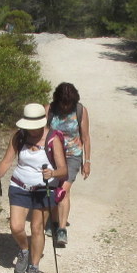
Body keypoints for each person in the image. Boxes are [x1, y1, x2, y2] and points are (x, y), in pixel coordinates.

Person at [0, 103, 67, 273]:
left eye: (35, 127)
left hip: (43, 189)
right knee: (16, 227)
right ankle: (24, 249)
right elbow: (7, 160)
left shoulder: (53, 139)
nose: (31, 131)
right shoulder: (19, 136)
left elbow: (63, 170)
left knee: (37, 228)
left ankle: (34, 265)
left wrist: (52, 174)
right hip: (19, 186)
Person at [45, 82, 91, 247]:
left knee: (63, 189)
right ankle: (55, 221)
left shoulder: (80, 111)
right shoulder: (49, 109)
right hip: (52, 155)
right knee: (52, 188)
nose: (65, 107)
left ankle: (62, 229)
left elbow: (85, 137)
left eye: (68, 104)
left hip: (72, 155)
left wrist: (87, 161)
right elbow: (42, 132)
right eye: (63, 103)